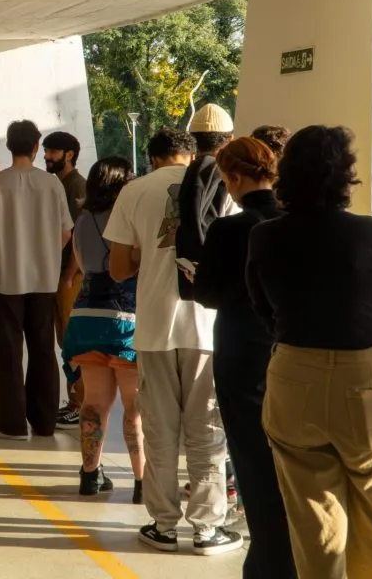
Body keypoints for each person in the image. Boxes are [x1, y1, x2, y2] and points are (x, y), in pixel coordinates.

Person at [247, 126, 372, 578]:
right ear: (345, 176)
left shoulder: (265, 237)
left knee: (313, 521)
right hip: (366, 376)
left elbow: (263, 308)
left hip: (293, 374)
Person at [104, 126, 240, 556]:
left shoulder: (134, 191)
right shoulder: (223, 186)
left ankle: (163, 525)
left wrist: (151, 252)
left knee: (160, 429)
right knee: (207, 428)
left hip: (155, 326)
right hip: (208, 323)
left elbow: (119, 269)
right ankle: (208, 528)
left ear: (152, 157)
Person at [192, 137, 294, 578]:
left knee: (251, 454)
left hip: (239, 348)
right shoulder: (290, 222)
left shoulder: (229, 229)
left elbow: (209, 293)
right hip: (288, 350)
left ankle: (268, 553)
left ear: (233, 178)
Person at [0, 120, 73, 440]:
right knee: (44, 350)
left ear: (8, 145)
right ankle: (44, 423)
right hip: (43, 280)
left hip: (5, 280)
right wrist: (46, 255)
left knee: (10, 352)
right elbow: (66, 231)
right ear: (35, 146)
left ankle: (12, 424)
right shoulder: (52, 184)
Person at [62, 157, 143, 500]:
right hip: (126, 317)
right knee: (134, 405)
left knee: (94, 403)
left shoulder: (81, 221)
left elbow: (82, 265)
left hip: (86, 315)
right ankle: (142, 482)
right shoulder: (131, 218)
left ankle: (90, 475)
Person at [43, 130, 87, 429]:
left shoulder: (76, 186)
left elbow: (76, 236)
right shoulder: (59, 183)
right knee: (65, 341)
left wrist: (69, 275)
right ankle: (74, 401)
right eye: (46, 151)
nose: (46, 156)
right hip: (58, 275)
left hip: (68, 277)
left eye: (52, 152)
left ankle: (81, 404)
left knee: (72, 341)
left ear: (68, 154)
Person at [175, 103, 235, 302]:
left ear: (194, 142)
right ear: (230, 139)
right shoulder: (231, 180)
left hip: (182, 282)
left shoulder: (182, 178)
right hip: (217, 293)